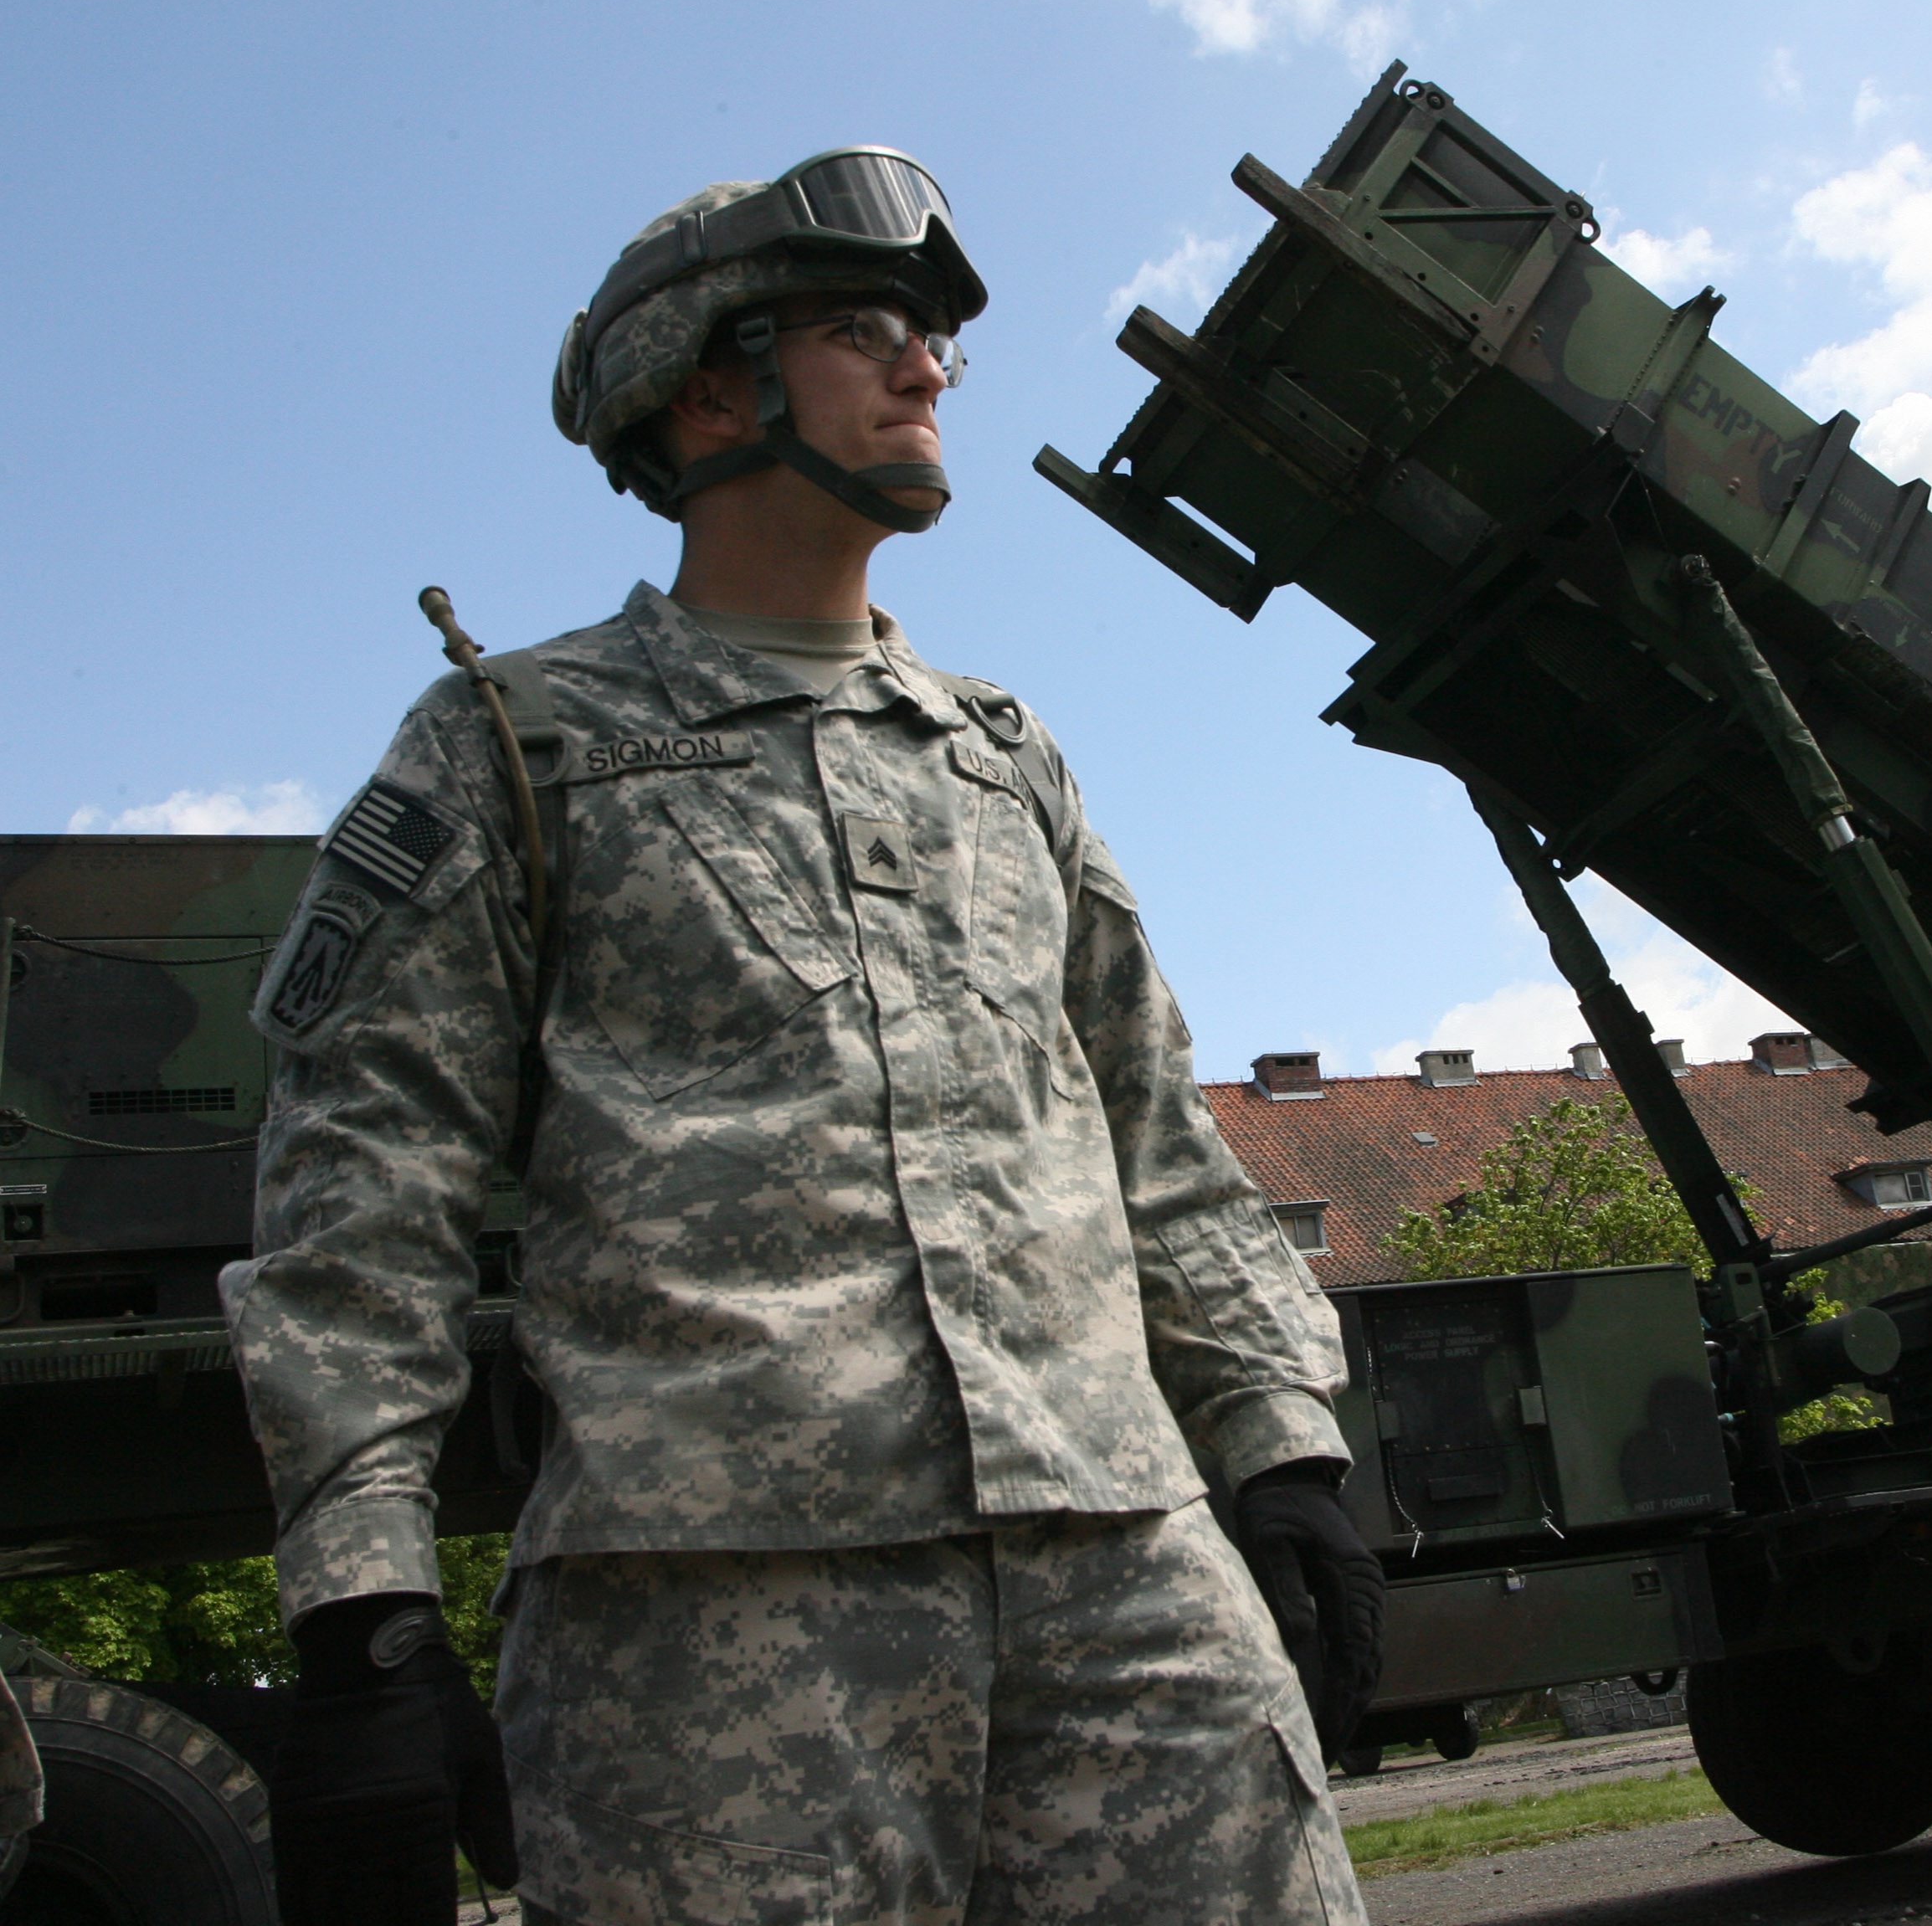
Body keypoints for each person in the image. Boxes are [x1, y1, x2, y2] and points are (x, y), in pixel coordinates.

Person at [223, 146, 1381, 1925]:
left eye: (932, 338)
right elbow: (360, 1202)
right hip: (714, 1623)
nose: (927, 367)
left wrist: (1281, 1444)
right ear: (706, 388)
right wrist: (365, 1616)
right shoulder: (514, 748)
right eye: (863, 328)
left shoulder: (1002, 753)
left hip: (1124, 1576)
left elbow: (1153, 1134)